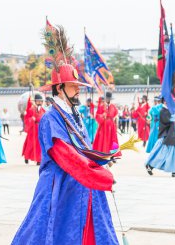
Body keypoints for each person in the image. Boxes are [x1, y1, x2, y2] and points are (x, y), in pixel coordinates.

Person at [12, 26, 118, 244]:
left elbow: (83, 148)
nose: (77, 90)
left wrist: (101, 159)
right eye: (73, 86)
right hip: (59, 186)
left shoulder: (74, 113)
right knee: (52, 231)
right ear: (59, 88)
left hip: (82, 181)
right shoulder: (51, 118)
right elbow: (65, 154)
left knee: (93, 229)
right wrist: (97, 173)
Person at [145, 98, 175, 177]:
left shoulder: (168, 110)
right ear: (164, 101)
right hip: (166, 135)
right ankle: (150, 165)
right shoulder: (163, 111)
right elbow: (170, 120)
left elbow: (174, 122)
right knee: (162, 154)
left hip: (171, 135)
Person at [93, 92, 121, 158]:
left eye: (109, 98)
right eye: (107, 98)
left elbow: (115, 115)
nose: (108, 99)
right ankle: (103, 153)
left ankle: (113, 154)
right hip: (103, 125)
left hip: (111, 125)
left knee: (113, 139)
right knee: (103, 139)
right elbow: (97, 116)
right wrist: (102, 115)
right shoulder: (101, 106)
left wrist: (115, 121)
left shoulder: (113, 106)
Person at [22, 94, 46, 165]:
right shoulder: (31, 109)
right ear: (35, 101)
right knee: (30, 144)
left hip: (40, 129)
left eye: (41, 101)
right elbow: (26, 119)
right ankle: (27, 156)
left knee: (39, 145)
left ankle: (39, 159)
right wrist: (31, 119)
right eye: (38, 101)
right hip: (33, 129)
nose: (39, 102)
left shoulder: (43, 110)